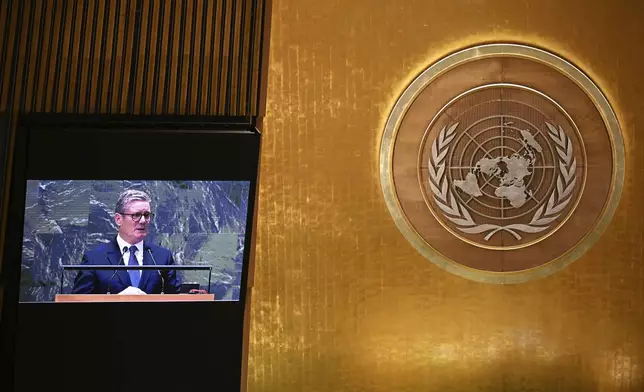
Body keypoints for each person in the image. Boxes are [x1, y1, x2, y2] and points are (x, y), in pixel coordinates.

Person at [72, 189, 181, 295]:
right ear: (118, 219)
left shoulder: (162, 257)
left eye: (146, 215)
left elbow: (175, 301)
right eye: (136, 215)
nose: (143, 221)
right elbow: (78, 304)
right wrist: (116, 301)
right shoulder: (94, 259)